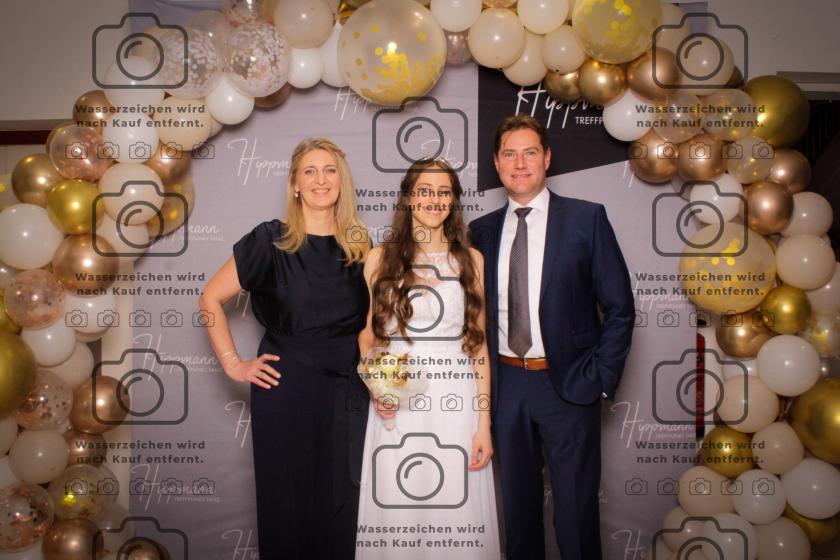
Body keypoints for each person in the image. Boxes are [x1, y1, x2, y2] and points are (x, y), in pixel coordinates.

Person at [468, 115, 635, 560]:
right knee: (519, 516)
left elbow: (620, 308)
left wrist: (599, 378)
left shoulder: (586, 219)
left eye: (529, 153)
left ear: (547, 158)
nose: (519, 164)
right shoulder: (480, 232)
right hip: (506, 386)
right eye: (509, 154)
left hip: (569, 385)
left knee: (576, 518)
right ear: (496, 163)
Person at [199, 138, 371, 559]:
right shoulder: (269, 240)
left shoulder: (361, 246)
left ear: (342, 181)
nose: (320, 180)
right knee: (287, 505)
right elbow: (209, 300)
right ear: (294, 183)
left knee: (342, 506)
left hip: (347, 394)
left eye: (329, 170)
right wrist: (234, 365)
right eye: (310, 171)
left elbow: (371, 329)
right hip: (286, 388)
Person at [355, 157, 501, 559]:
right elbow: (368, 337)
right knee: (399, 507)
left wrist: (483, 424)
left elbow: (478, 347)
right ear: (408, 197)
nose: (434, 199)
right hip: (398, 402)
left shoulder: (471, 261)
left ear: (453, 200)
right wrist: (378, 389)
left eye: (443, 192)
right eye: (424, 191)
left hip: (456, 404)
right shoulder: (379, 259)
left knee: (455, 506)